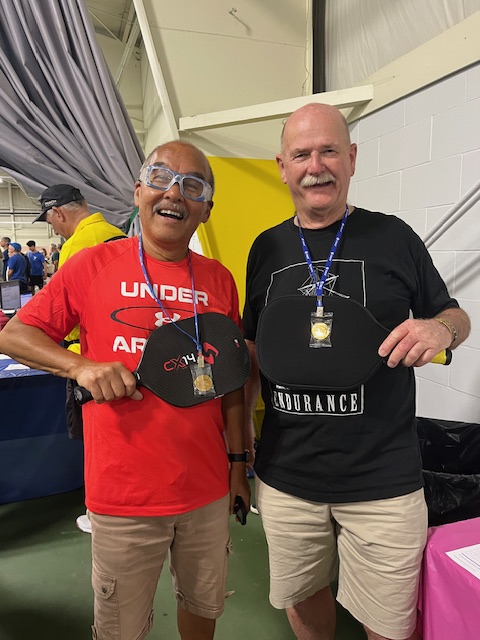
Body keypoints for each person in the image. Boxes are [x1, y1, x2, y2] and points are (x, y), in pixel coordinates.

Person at [0, 141, 250, 640]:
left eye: (192, 186)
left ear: (206, 209)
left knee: (203, 609)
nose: (174, 193)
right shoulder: (91, 265)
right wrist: (80, 367)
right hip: (124, 497)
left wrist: (239, 465)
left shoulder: (220, 280)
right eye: (160, 178)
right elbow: (15, 335)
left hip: (205, 489)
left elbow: (231, 384)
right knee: (120, 630)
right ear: (138, 192)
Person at [242, 103, 470, 640]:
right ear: (282, 167)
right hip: (287, 474)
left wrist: (441, 330)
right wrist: (242, 437)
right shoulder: (266, 248)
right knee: (302, 600)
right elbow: (252, 348)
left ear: (351, 158)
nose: (315, 166)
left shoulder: (394, 237)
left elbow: (454, 314)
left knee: (388, 624)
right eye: (301, 154)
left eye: (328, 151)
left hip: (383, 479)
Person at [34, 183, 128, 533]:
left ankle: (99, 512)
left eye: (50, 221)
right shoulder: (119, 235)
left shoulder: (76, 246)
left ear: (58, 213)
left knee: (96, 440)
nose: (54, 229)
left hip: (87, 358)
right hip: (124, 352)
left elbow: (63, 312)